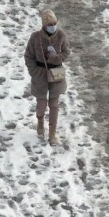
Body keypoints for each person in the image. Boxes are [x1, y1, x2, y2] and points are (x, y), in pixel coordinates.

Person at [24, 9, 71, 145]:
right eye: (50, 24)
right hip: (40, 75)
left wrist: (56, 57)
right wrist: (34, 71)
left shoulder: (61, 35)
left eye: (54, 23)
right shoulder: (35, 37)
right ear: (44, 25)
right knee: (41, 104)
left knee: (54, 105)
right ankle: (40, 121)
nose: (53, 26)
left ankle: (52, 134)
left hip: (56, 73)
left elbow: (67, 52)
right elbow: (28, 56)